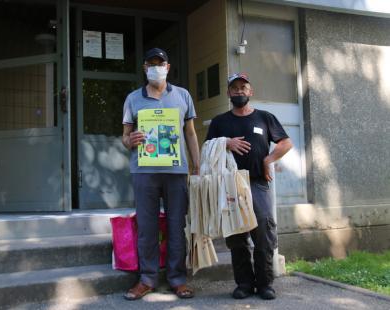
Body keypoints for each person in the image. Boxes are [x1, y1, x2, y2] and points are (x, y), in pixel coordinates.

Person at [205, 72, 292, 300]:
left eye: (243, 87)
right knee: (236, 237)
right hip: (230, 185)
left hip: (257, 184)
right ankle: (244, 283)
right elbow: (207, 151)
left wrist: (268, 160)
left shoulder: (265, 118)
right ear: (228, 93)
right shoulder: (219, 122)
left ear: (250, 91)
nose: (239, 91)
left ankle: (265, 284)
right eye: (235, 88)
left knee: (262, 232)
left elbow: (286, 142)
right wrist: (226, 142)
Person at [122, 48, 200, 300]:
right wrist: (130, 139)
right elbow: (125, 137)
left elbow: (190, 132)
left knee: (177, 225)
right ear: (145, 67)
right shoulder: (133, 98)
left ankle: (178, 279)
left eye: (161, 63)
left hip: (176, 171)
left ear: (168, 67)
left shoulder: (183, 95)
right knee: (147, 226)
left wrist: (196, 164)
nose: (156, 67)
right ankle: (147, 279)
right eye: (151, 63)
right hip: (144, 171)